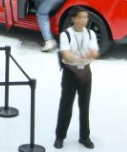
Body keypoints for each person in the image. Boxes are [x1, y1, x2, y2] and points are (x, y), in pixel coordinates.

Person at [54, 8, 99, 150]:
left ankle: (85, 136)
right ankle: (60, 136)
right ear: (73, 18)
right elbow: (66, 55)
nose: (84, 20)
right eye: (81, 17)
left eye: (86, 17)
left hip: (85, 72)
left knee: (85, 105)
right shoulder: (65, 35)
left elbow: (94, 52)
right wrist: (83, 58)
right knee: (66, 105)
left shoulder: (91, 34)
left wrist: (79, 58)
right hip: (70, 73)